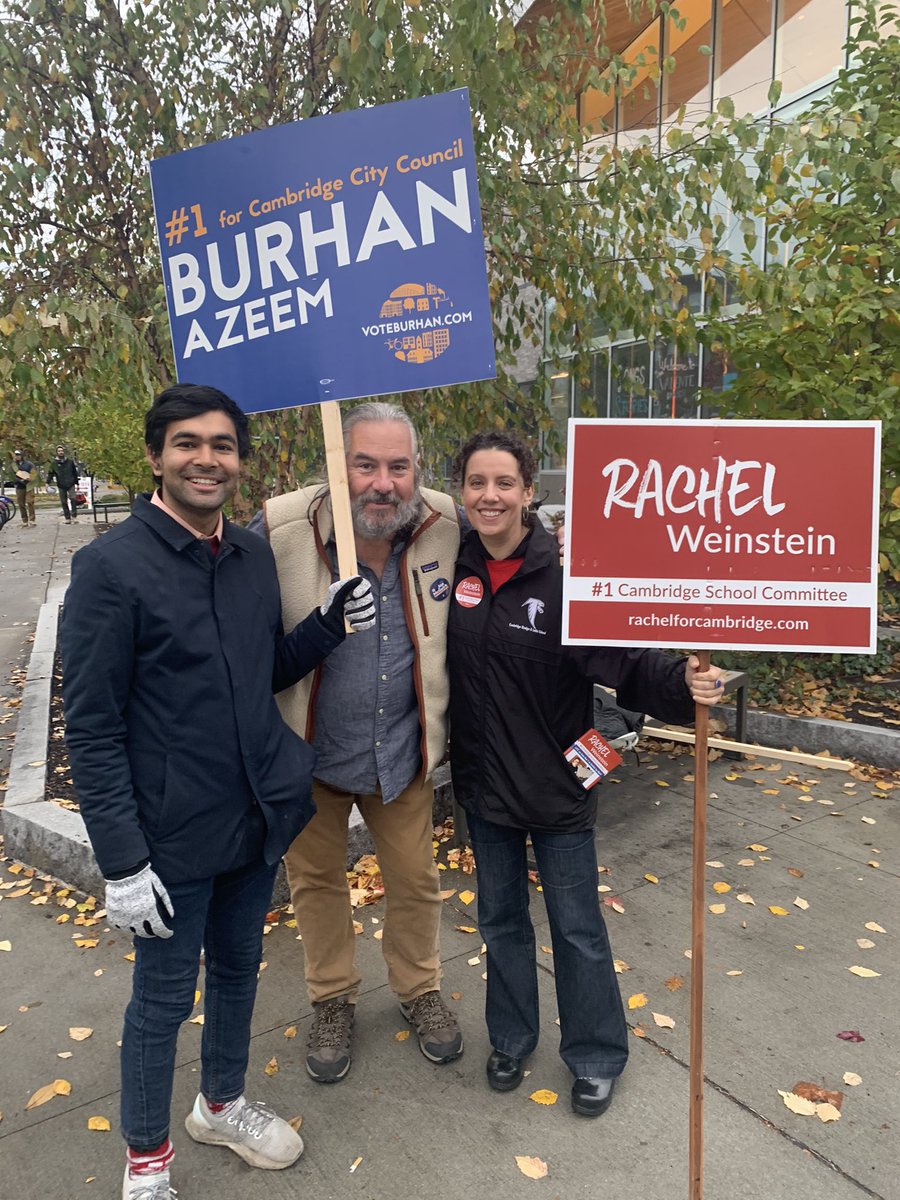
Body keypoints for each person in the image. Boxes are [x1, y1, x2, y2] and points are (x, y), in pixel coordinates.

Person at [61, 384, 376, 1200]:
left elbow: (261, 672)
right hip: (168, 836)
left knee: (238, 970)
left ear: (240, 460)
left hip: (253, 817)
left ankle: (222, 1102)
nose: (207, 458)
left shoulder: (248, 556)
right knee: (161, 1002)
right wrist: (123, 862)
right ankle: (146, 1162)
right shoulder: (108, 569)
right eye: (188, 443)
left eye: (223, 445)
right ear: (155, 457)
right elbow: (91, 731)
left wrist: (326, 625)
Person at [447, 431, 724, 1118]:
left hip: (558, 788)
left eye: (503, 482)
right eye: (477, 482)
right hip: (484, 790)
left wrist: (683, 681)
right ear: (461, 491)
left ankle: (596, 1053)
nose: (490, 495)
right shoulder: (450, 569)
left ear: (528, 491)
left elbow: (626, 663)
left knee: (576, 928)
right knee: (502, 922)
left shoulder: (568, 577)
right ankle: (511, 1038)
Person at [252, 401, 464, 1083]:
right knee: (316, 885)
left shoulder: (444, 525)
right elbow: (243, 637)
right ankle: (332, 999)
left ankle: (418, 987)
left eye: (398, 466)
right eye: (365, 464)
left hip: (399, 753)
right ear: (338, 467)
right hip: (309, 756)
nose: (382, 482)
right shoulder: (282, 529)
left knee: (416, 881)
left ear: (416, 471)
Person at [47, 445, 80, 522]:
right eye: (59, 451)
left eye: (61, 451)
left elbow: (74, 472)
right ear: (56, 453)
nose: (61, 452)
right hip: (61, 485)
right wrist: (47, 482)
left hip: (71, 483)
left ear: (63, 452)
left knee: (73, 499)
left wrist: (76, 482)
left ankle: (74, 516)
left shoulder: (70, 462)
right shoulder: (54, 463)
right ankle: (67, 518)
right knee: (64, 502)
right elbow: (51, 473)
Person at [12, 449, 36, 526]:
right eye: (16, 455)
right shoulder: (14, 465)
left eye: (18, 455)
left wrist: (30, 478)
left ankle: (32, 519)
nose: (17, 457)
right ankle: (24, 520)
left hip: (29, 485)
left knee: (30, 502)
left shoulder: (29, 464)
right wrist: (20, 481)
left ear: (22, 456)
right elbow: (13, 476)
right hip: (19, 486)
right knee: (21, 504)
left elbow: (33, 472)